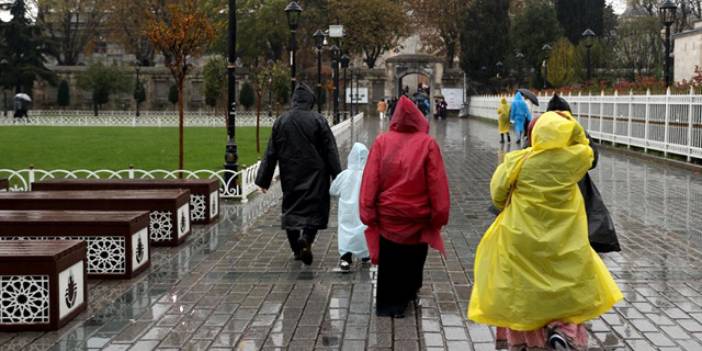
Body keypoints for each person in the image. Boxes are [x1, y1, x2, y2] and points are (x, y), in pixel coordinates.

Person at [468, 109, 623, 350]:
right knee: (564, 283)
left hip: (520, 235)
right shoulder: (574, 160)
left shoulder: (518, 161)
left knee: (523, 288)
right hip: (565, 235)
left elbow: (497, 195)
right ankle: (562, 330)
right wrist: (572, 125)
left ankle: (525, 341)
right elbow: (587, 147)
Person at [360, 96, 450, 318]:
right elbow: (437, 183)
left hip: (389, 216)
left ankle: (390, 303)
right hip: (418, 217)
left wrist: (367, 212)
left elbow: (371, 180)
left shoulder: (382, 142)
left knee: (390, 261)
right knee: (413, 258)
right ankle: (409, 293)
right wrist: (439, 216)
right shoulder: (428, 144)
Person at [256, 83, 342, 265]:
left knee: (291, 210)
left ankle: (296, 249)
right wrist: (338, 177)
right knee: (314, 209)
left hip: (291, 172)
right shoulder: (318, 120)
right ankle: (307, 239)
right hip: (316, 174)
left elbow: (271, 151)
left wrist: (263, 180)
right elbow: (330, 151)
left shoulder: (281, 121)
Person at [330, 142, 370, 271]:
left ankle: (346, 258)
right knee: (364, 230)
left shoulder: (345, 175)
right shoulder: (369, 175)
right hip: (363, 209)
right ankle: (365, 255)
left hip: (347, 210)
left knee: (346, 232)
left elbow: (333, 190)